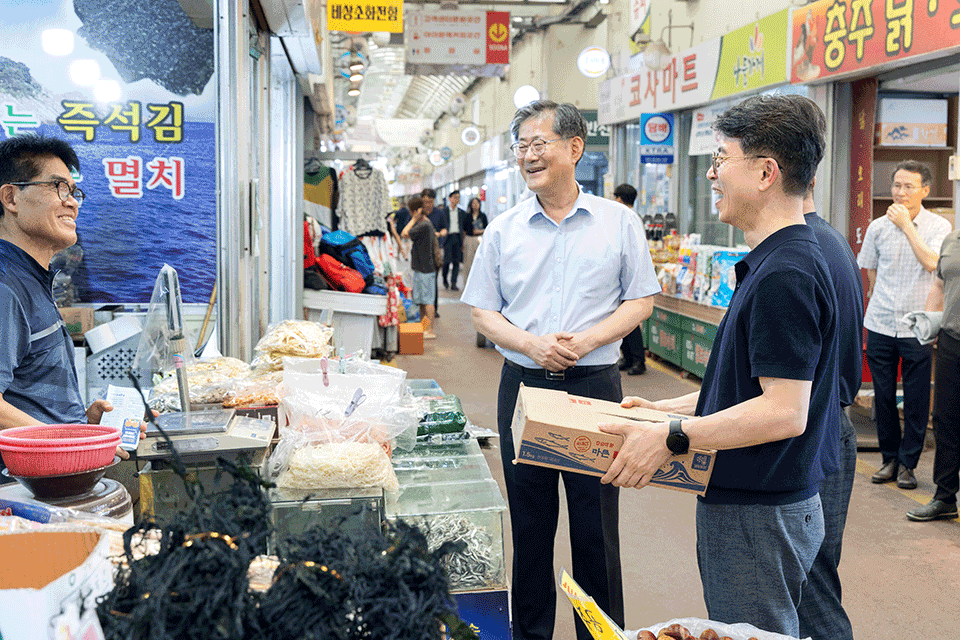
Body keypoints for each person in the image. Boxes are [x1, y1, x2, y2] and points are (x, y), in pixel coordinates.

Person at [598, 94, 839, 637]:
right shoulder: (776, 262)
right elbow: (753, 387)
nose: (710, 174)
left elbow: (783, 413)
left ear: (765, 172)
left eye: (720, 159)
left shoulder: (787, 274)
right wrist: (664, 411)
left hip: (760, 511)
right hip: (758, 507)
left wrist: (675, 437)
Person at [461, 101, 659, 640]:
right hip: (523, 388)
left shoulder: (618, 222)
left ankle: (602, 636)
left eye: (537, 143)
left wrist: (588, 340)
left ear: (575, 148)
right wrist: (531, 344)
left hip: (595, 391)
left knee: (596, 532)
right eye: (520, 146)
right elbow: (482, 310)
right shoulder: (503, 230)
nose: (528, 155)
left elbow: (640, 299)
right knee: (530, 530)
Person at [0, 134, 144, 458]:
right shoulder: (6, 285)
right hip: (21, 496)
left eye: (74, 191)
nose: (72, 202)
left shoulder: (30, 279)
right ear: (11, 198)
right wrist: (75, 442)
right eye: (58, 188)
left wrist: (84, 427)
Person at [857, 160, 950, 490]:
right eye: (896, 185)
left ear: (924, 190)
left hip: (917, 325)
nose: (899, 192)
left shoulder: (938, 227)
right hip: (881, 321)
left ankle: (909, 464)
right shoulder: (877, 227)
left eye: (908, 186)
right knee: (881, 396)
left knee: (916, 397)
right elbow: (870, 271)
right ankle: (889, 460)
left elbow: (932, 265)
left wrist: (908, 227)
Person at [797, 178, 864, 640]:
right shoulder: (825, 241)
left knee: (812, 584)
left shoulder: (806, 251)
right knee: (811, 578)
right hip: (824, 427)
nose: (714, 175)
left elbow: (790, 396)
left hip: (815, 435)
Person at [906, 228, 960, 522]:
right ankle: (944, 496)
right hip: (952, 340)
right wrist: (929, 320)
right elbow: (939, 285)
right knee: (945, 419)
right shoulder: (952, 241)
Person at [612, 183, 646, 376]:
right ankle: (628, 357)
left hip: (631, 277)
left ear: (618, 199)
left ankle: (638, 361)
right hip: (623, 277)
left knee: (631, 323)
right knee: (620, 320)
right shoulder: (622, 218)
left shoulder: (630, 219)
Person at [400, 195, 437, 340]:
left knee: (427, 301)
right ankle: (424, 328)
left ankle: (430, 330)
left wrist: (414, 219)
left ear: (415, 211)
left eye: (411, 211)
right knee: (422, 302)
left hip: (425, 269)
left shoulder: (423, 224)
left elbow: (404, 233)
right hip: (421, 268)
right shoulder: (423, 223)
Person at [421, 188, 446, 318]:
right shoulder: (418, 213)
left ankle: (433, 308)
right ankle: (422, 308)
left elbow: (444, 229)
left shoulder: (439, 213)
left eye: (430, 201)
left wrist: (440, 233)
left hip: (435, 252)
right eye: (425, 201)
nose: (427, 204)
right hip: (419, 252)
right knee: (420, 280)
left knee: (433, 280)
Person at [441, 189, 466, 291]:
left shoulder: (461, 212)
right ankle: (445, 279)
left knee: (456, 262)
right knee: (446, 261)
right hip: (447, 238)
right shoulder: (444, 212)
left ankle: (453, 283)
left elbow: (463, 227)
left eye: (459, 198)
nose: (457, 199)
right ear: (450, 199)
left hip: (457, 238)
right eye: (455, 197)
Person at [462, 196, 487, 283]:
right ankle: (467, 283)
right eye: (473, 203)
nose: (475, 205)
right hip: (469, 239)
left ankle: (479, 283)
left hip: (480, 239)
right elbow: (464, 229)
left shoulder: (483, 216)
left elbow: (486, 228)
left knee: (480, 262)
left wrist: (479, 231)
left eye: (477, 203)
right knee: (468, 262)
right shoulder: (467, 216)